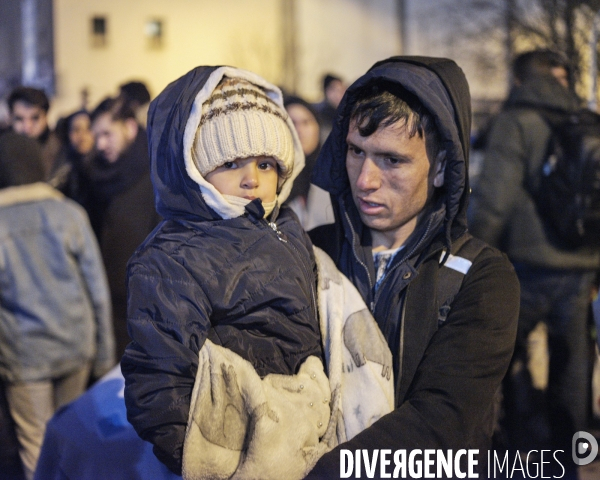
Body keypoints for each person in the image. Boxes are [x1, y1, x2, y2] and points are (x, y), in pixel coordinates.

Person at [120, 67, 394, 480]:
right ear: (193, 168)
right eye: (231, 162)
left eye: (266, 163)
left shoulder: (287, 229)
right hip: (240, 454)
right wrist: (213, 463)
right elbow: (159, 383)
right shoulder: (171, 258)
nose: (253, 179)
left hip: (314, 445)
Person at [305, 56, 520, 478]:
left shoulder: (483, 278)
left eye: (391, 159)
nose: (365, 178)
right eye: (355, 151)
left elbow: (440, 421)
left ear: (441, 167)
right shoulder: (311, 254)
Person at [468, 49, 600, 475]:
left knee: (501, 357)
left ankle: (512, 454)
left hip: (526, 265)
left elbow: (494, 200)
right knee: (574, 367)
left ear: (521, 80)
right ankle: (570, 460)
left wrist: (469, 258)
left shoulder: (515, 120)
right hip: (579, 264)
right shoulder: (583, 118)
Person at [0, 131, 115, 480]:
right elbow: (97, 289)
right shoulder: (69, 214)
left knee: (36, 443)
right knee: (70, 437)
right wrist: (104, 358)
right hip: (75, 346)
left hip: (24, 355)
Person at [88, 96, 160, 359]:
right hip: (108, 308)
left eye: (107, 134)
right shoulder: (93, 177)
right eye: (96, 136)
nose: (100, 144)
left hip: (146, 311)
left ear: (129, 128)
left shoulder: (156, 176)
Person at [7, 86, 62, 181]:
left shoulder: (60, 149)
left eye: (35, 118)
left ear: (46, 117)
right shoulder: (5, 149)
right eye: (19, 119)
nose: (27, 127)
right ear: (10, 119)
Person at [51, 109, 95, 206]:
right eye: (76, 129)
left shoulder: (105, 167)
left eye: (88, 128)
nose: (82, 136)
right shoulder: (64, 167)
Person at [313, 73, 346, 144]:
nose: (339, 94)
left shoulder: (345, 113)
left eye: (341, 90)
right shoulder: (317, 113)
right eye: (334, 90)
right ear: (326, 91)